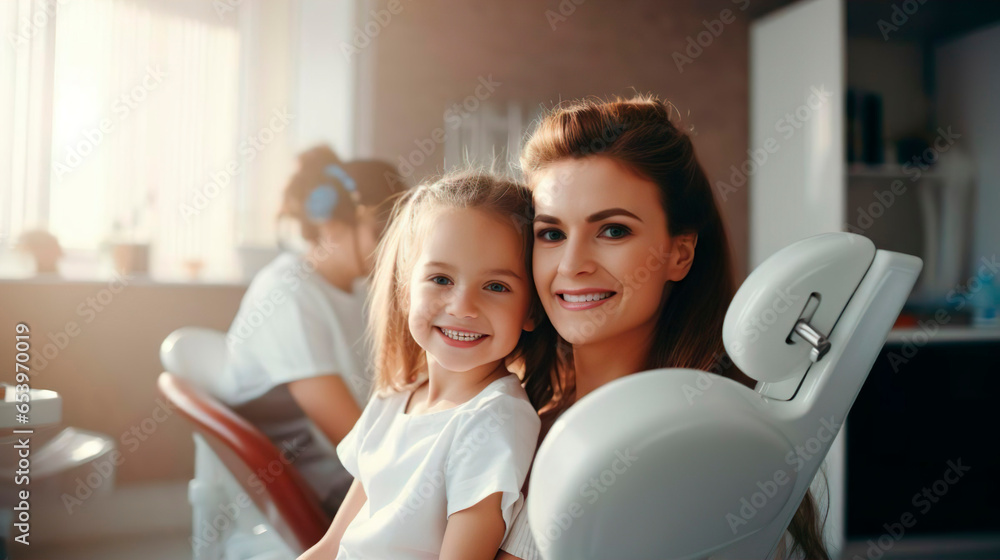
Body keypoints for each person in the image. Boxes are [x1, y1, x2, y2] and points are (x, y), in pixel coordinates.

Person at [496, 95, 830, 560]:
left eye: (613, 230)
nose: (572, 266)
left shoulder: (704, 450)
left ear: (680, 253)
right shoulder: (515, 418)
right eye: (551, 233)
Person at [299, 171, 559, 560]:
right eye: (441, 279)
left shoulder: (495, 419)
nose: (462, 307)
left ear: (531, 310)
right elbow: (331, 546)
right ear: (405, 289)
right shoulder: (395, 398)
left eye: (496, 286)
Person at [217, 145, 403, 516]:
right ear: (330, 223)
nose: (396, 248)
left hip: (350, 477)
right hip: (323, 489)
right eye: (383, 230)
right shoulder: (288, 294)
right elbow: (352, 438)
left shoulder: (358, 290)